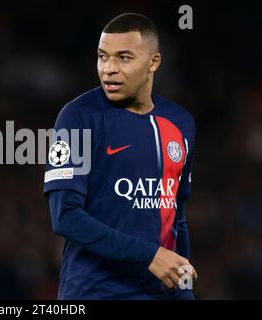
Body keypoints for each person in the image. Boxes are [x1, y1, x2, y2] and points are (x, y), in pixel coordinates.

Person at [43, 13, 197, 299]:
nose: (109, 69)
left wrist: (184, 291)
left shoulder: (180, 123)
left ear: (154, 62)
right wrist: (148, 255)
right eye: (103, 57)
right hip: (95, 292)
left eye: (123, 58)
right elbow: (65, 216)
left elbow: (177, 217)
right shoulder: (78, 116)